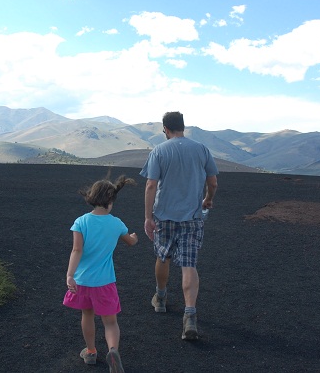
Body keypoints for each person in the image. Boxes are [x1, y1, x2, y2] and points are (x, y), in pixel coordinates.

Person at [140, 111, 218, 340]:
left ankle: (160, 298)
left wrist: (148, 217)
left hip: (164, 216)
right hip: (192, 217)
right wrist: (208, 199)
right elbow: (213, 182)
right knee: (189, 264)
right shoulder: (201, 149)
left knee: (162, 256)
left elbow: (151, 185)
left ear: (165, 129)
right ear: (183, 126)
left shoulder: (159, 151)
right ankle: (190, 315)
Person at [63, 174, 138, 372]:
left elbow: (76, 250)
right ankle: (113, 351)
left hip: (83, 281)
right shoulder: (116, 223)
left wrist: (70, 275)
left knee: (87, 315)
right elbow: (130, 242)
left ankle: (90, 351)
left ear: (92, 197)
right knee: (110, 321)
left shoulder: (81, 222)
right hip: (105, 282)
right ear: (111, 200)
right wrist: (134, 237)